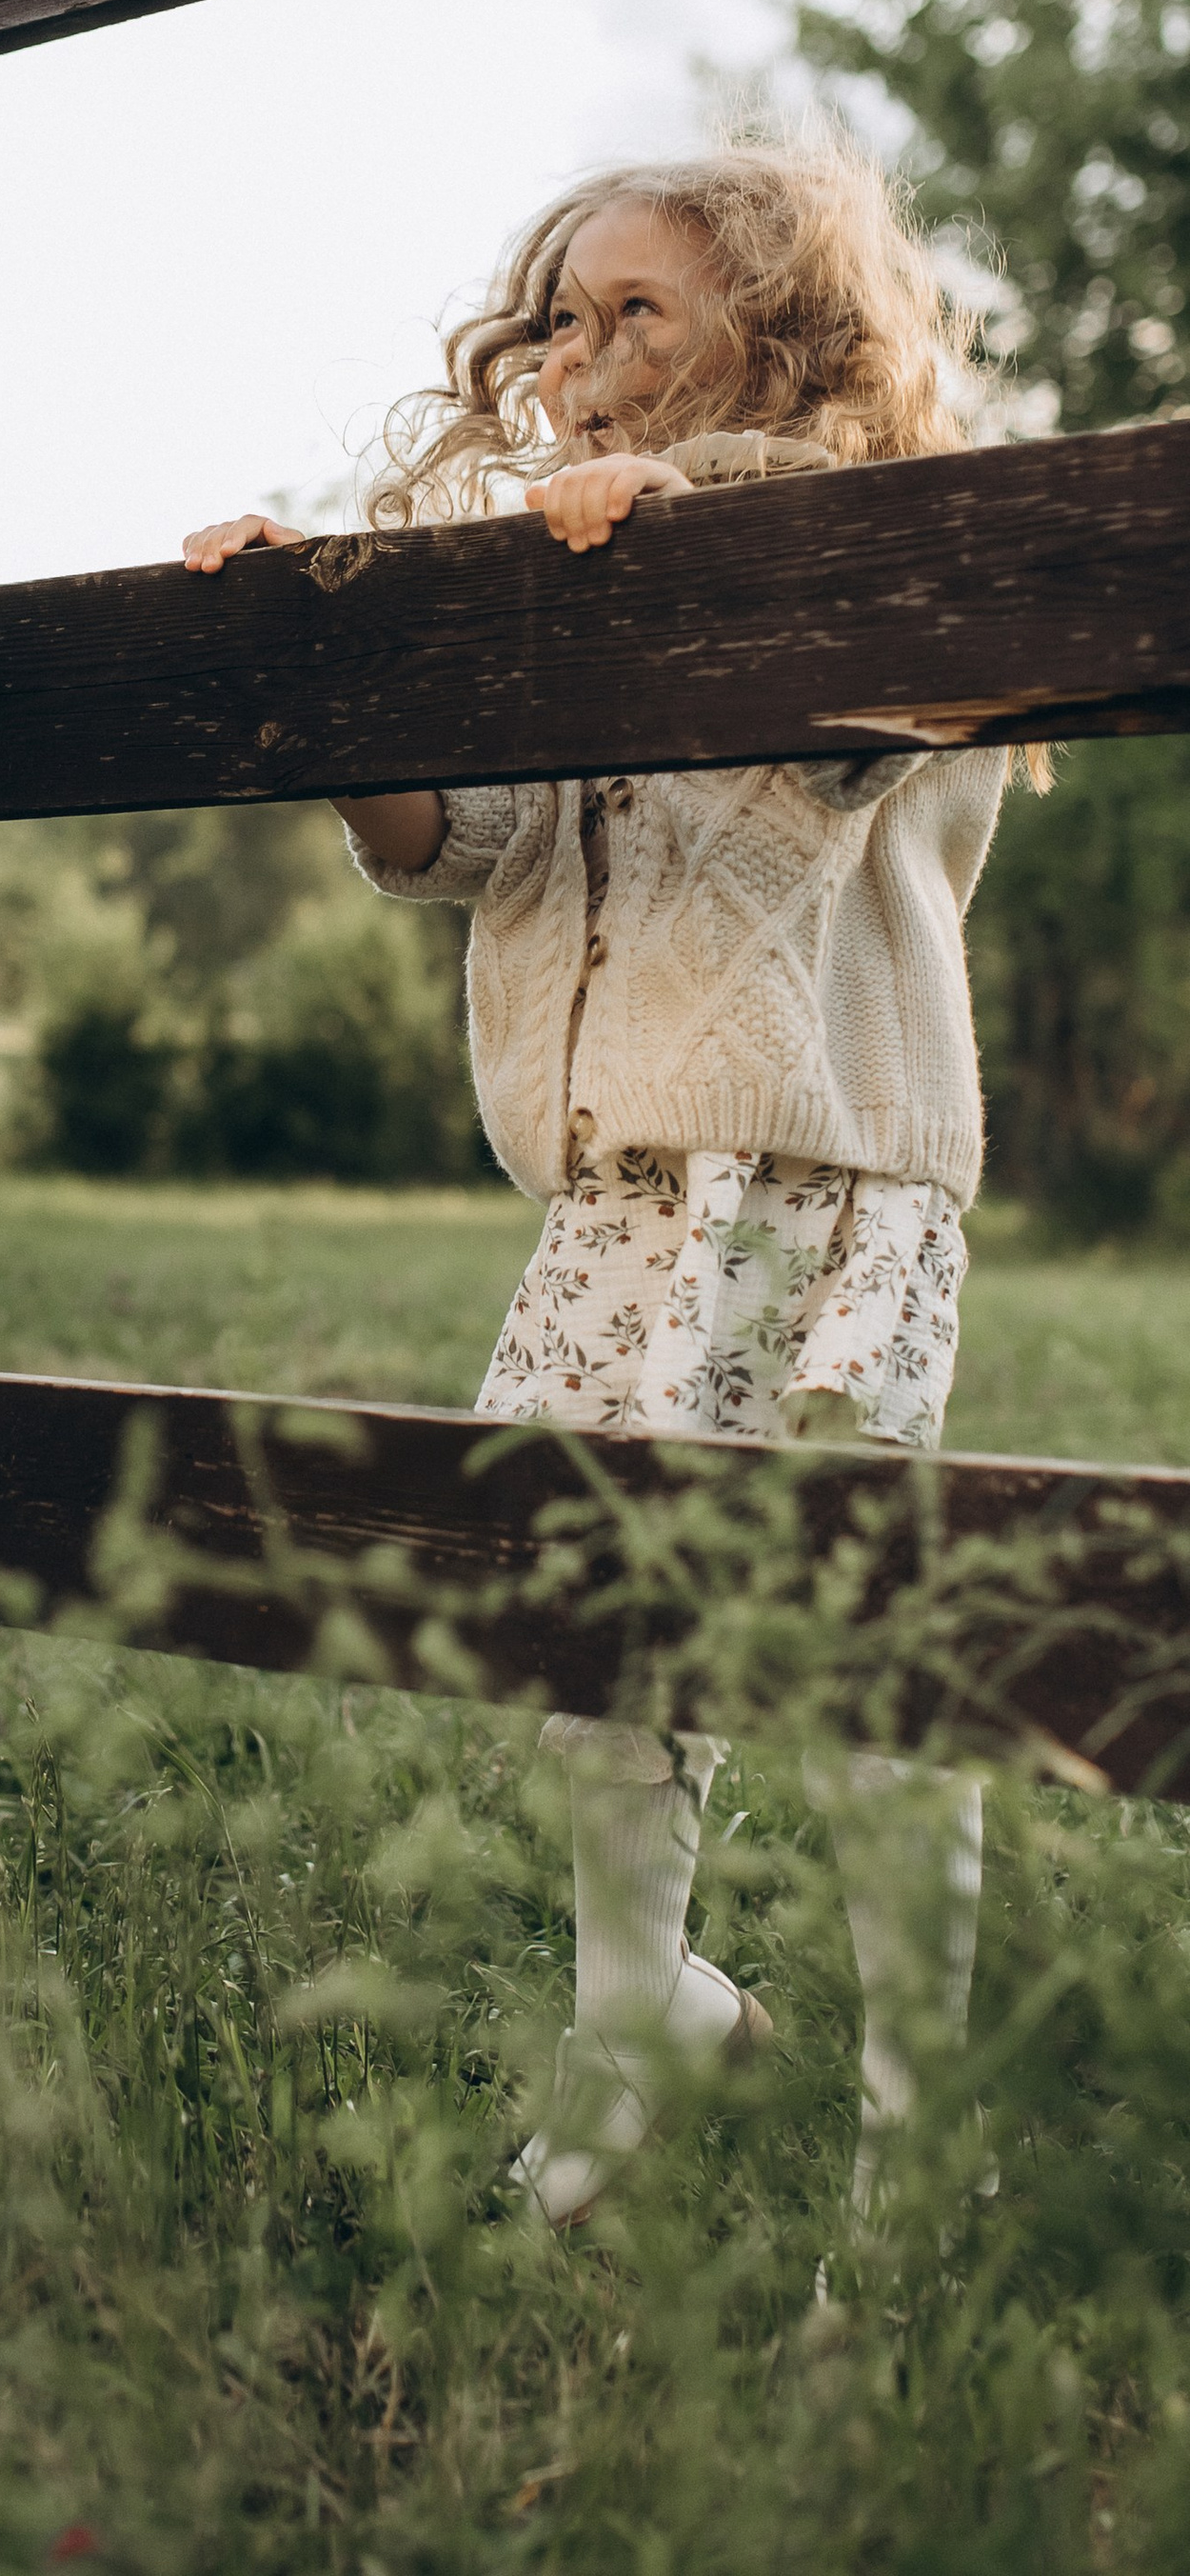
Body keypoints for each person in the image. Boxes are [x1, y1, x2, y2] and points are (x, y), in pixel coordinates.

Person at [182, 136, 1018, 2230]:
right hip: (626, 1195)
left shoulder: (872, 542)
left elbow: (862, 733)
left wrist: (690, 523)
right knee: (587, 1627)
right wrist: (318, 677)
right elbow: (476, 842)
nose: (577, 360)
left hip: (819, 1192)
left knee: (855, 1657)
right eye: (558, 320)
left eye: (634, 312)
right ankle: (634, 2015)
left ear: (783, 330)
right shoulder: (567, 571)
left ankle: (916, 2149)